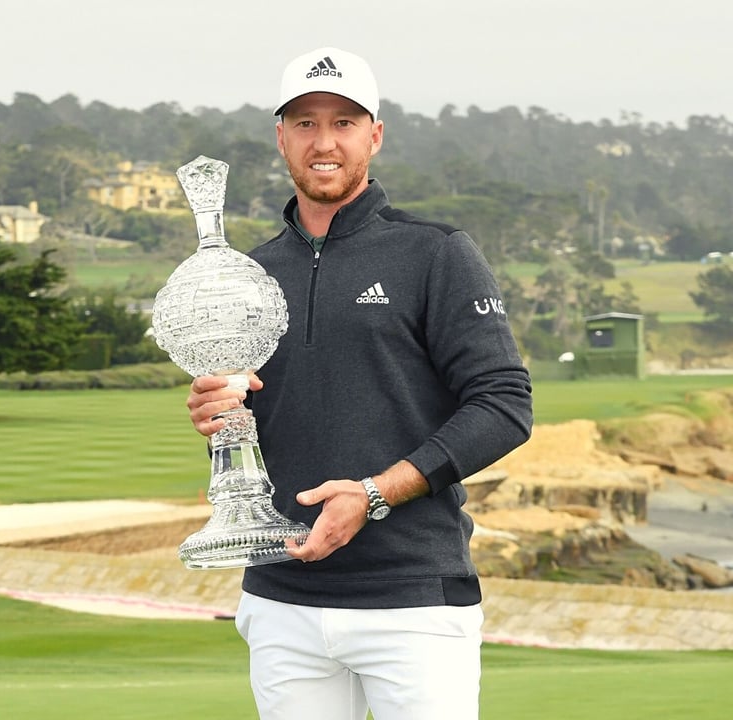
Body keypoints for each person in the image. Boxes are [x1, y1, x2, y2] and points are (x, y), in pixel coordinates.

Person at [184, 46, 533, 720]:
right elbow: (261, 419)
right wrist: (217, 416)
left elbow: (503, 406)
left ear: (374, 135)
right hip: (281, 599)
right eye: (306, 123)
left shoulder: (435, 253)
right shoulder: (248, 275)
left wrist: (374, 494)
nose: (324, 142)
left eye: (344, 122)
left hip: (413, 601)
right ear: (281, 136)